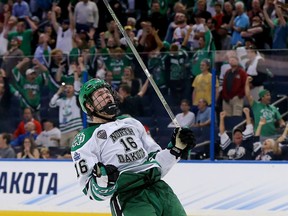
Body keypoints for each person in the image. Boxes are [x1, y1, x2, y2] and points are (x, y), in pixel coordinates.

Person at [71, 79, 195, 215]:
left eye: (108, 91)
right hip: (130, 198)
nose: (107, 95)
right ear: (89, 106)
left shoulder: (131, 122)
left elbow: (156, 162)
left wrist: (176, 149)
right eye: (100, 94)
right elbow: (90, 190)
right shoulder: (85, 139)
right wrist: (103, 183)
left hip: (161, 191)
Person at [49, 79, 82, 147]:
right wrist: (59, 91)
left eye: (70, 87)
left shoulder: (76, 99)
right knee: (63, 151)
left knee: (74, 149)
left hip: (74, 129)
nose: (68, 89)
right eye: (66, 88)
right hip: (64, 131)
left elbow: (78, 89)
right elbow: (52, 104)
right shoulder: (61, 101)